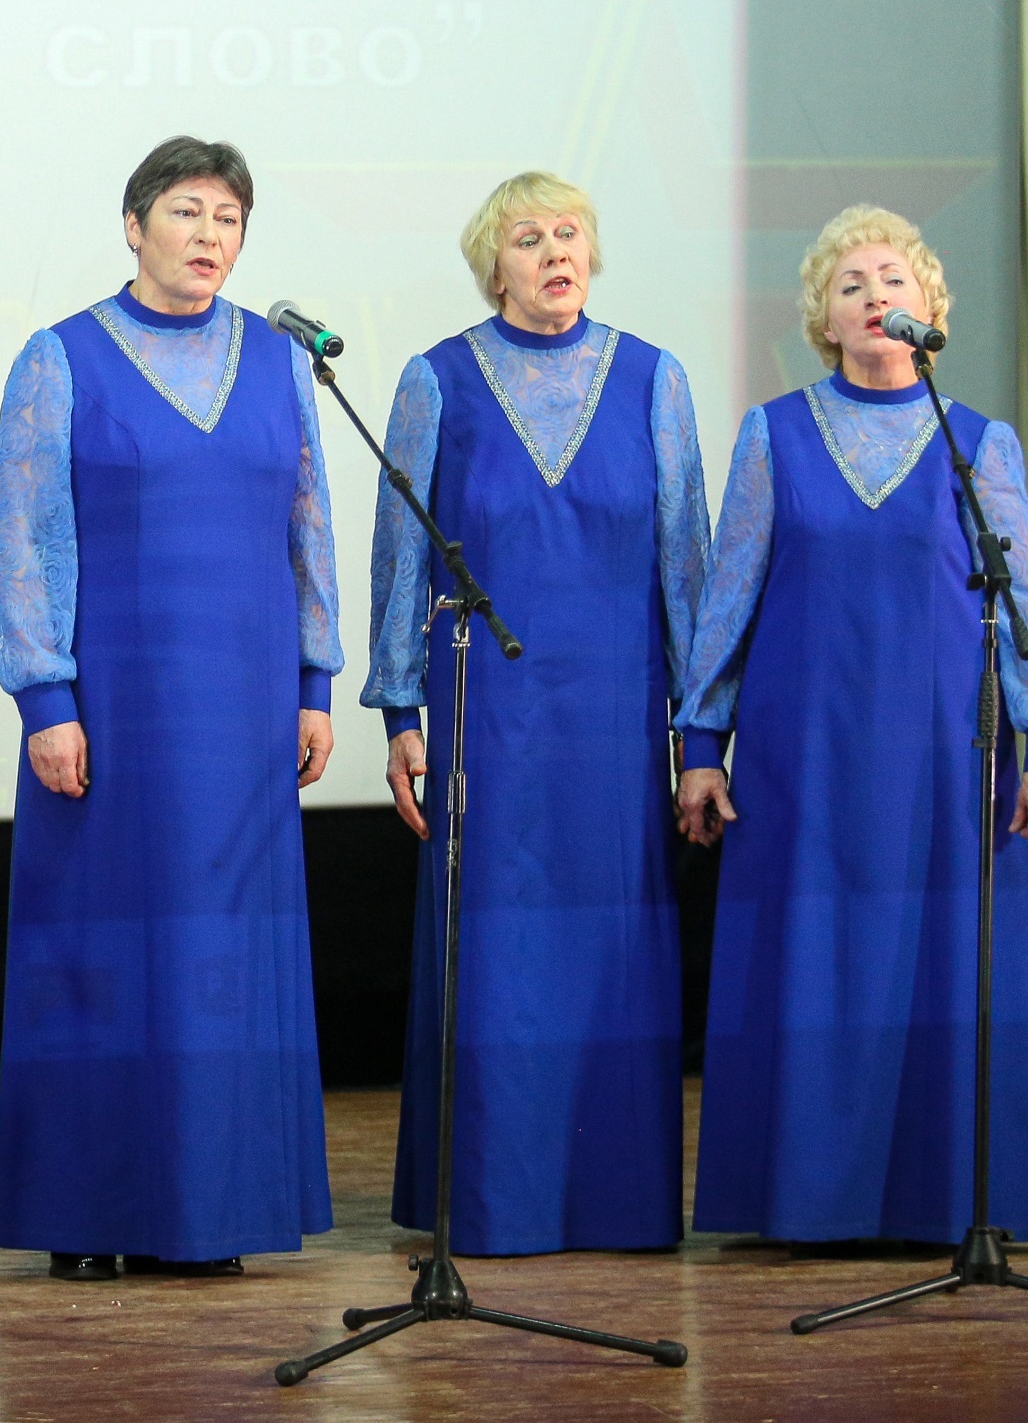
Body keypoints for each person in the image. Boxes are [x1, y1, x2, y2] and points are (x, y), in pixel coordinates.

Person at [677, 204, 1028, 1243]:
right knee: (815, 965)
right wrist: (700, 747)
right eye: (849, 284)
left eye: (892, 280)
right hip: (803, 756)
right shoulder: (774, 432)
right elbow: (728, 596)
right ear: (823, 317)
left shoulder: (976, 441)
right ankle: (809, 1202)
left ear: (928, 308)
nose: (872, 297)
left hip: (946, 755)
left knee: (942, 966)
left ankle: (943, 1201)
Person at [0, 134, 340, 1283]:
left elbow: (308, 526)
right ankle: (92, 1209)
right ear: (134, 226)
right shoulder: (61, 357)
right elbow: (24, 537)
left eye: (228, 218)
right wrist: (46, 695)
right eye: (187, 211)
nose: (209, 235)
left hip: (246, 709)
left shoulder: (281, 361)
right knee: (103, 949)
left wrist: (314, 683)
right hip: (116, 708)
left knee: (226, 955)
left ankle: (215, 1205)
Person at [363, 172, 709, 1254]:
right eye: (528, 237)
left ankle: (617, 1201)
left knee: (612, 950)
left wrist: (700, 732)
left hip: (615, 720)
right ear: (493, 265)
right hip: (487, 716)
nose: (555, 251)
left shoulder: (654, 378)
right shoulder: (436, 381)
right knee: (498, 956)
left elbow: (688, 566)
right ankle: (492, 1202)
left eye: (569, 234)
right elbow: (400, 557)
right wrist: (400, 710)